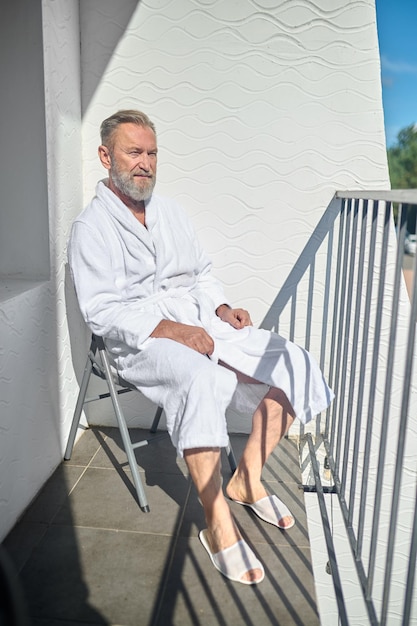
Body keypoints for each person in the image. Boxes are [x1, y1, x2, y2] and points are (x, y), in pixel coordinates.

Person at [68, 109, 333, 585]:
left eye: (151, 153)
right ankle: (218, 524)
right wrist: (171, 329)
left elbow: (202, 273)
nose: (145, 163)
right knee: (205, 378)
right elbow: (101, 311)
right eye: (134, 152)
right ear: (107, 156)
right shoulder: (91, 228)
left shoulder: (170, 212)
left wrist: (223, 308)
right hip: (142, 337)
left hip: (198, 320)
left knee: (289, 360)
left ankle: (247, 478)